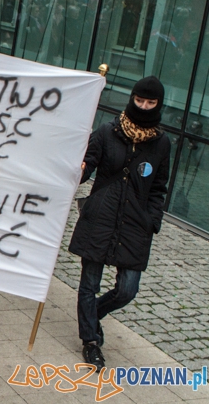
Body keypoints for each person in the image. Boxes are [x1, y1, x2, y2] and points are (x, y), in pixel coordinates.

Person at [68, 76, 171, 370]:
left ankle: (92, 315)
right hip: (100, 217)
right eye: (139, 100)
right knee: (89, 284)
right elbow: (87, 167)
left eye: (150, 102)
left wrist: (152, 220)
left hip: (136, 224)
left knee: (127, 290)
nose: (144, 106)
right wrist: (78, 169)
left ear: (159, 104)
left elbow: (159, 187)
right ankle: (91, 342)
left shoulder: (162, 143)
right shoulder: (106, 132)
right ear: (132, 98)